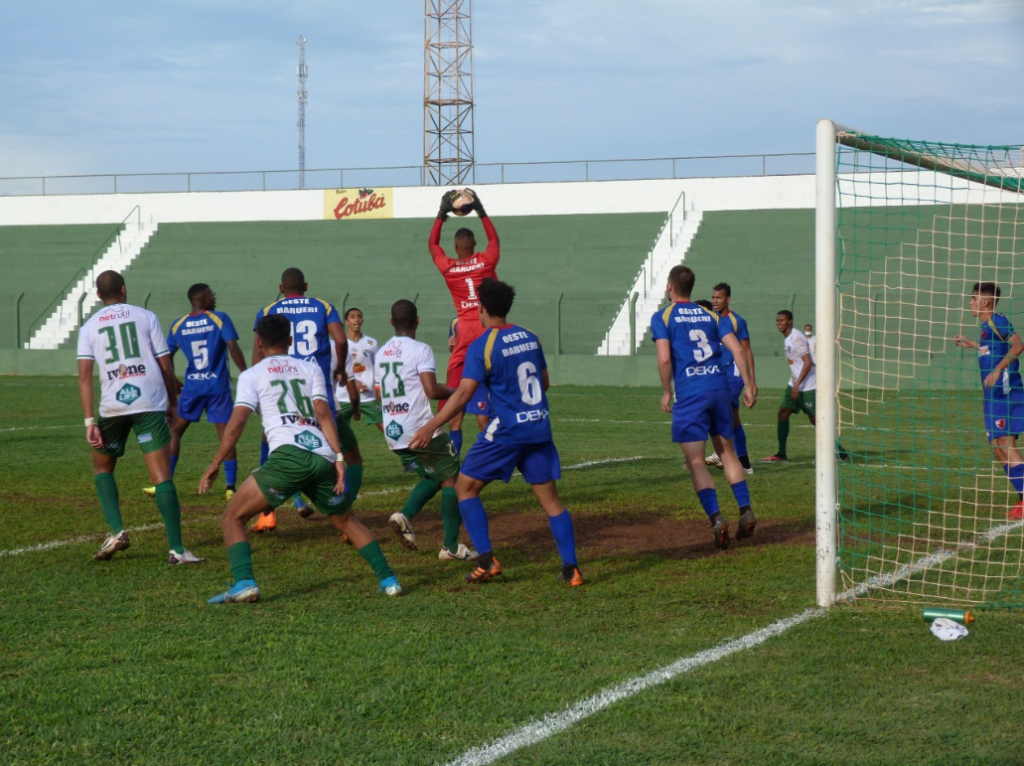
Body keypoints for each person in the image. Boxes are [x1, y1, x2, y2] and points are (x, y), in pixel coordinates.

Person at [199, 314, 401, 603]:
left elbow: (238, 422)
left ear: (258, 341)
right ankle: (389, 580)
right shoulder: (310, 368)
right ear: (290, 341)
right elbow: (323, 413)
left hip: (289, 458)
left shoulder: (251, 375)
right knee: (346, 521)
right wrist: (339, 458)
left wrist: (216, 462)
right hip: (322, 455)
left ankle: (244, 582)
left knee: (232, 517)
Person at [409, 279, 584, 586]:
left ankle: (487, 562)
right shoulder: (531, 337)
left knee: (465, 488)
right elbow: (542, 383)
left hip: (506, 432)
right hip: (538, 428)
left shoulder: (483, 345)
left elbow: (463, 395)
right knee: (551, 501)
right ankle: (572, 569)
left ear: (483, 308)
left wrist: (429, 426)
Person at [76, 270, 204, 565]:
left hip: (113, 407)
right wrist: (173, 404)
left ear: (98, 296)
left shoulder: (89, 327)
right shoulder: (146, 316)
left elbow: (84, 377)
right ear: (124, 289)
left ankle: (117, 531)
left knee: (102, 468)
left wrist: (89, 422)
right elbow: (165, 365)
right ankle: (176, 549)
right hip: (148, 401)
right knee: (161, 477)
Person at [652, 266, 758, 549]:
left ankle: (716, 519)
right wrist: (749, 384)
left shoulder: (664, 315)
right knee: (727, 452)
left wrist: (666, 390)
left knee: (696, 461)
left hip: (691, 394)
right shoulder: (712, 315)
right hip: (720, 388)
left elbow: (664, 358)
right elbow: (737, 350)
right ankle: (745, 509)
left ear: (670, 287)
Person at [249, 267, 358, 530]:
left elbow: (257, 352)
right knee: (345, 452)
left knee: (274, 442)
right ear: (306, 286)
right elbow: (341, 341)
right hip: (314, 388)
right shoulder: (322, 306)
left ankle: (268, 512)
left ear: (281, 287)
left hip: (281, 389)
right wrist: (340, 367)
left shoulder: (267, 311)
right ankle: (345, 517)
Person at [377, 300, 477, 561]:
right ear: (417, 320)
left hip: (393, 432)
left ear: (391, 322)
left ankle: (406, 516)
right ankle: (450, 546)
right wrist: (458, 393)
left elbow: (379, 392)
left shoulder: (382, 352)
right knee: (452, 478)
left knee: (436, 476)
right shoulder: (420, 349)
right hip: (420, 429)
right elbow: (431, 390)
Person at [143, 283, 247, 499]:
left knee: (174, 431)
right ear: (202, 298)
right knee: (225, 434)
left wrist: (173, 380)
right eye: (211, 294)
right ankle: (230, 487)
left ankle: (165, 482)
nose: (214, 297)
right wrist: (246, 373)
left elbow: (166, 355)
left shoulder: (178, 324)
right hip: (217, 387)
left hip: (193, 387)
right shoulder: (219, 318)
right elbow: (233, 347)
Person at [429, 189, 500, 455]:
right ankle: (491, 452)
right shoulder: (486, 260)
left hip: (464, 332)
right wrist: (481, 210)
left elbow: (433, 246)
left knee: (453, 405)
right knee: (488, 404)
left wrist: (441, 215)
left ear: (456, 248)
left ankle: (448, 456)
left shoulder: (448, 267)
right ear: (474, 245)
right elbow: (494, 239)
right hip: (488, 329)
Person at [954, 282, 1024, 520]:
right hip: (993, 396)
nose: (970, 303)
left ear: (985, 301)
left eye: (973, 299)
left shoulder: (998, 321)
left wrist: (997, 371)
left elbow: (1018, 345)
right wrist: (972, 344)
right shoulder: (986, 328)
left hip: (1005, 392)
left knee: (1006, 445)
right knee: (997, 449)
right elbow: (991, 348)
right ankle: (1023, 497)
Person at [762, 311, 847, 462]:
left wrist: (797, 385)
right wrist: (794, 384)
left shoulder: (796, 337)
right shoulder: (788, 338)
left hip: (807, 385)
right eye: (777, 320)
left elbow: (808, 362)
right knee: (782, 413)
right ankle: (781, 454)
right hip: (795, 383)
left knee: (816, 419)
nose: (778, 323)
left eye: (782, 320)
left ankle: (839, 451)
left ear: (790, 321)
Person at [703, 285, 756, 474]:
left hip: (734, 376)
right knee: (733, 420)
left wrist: (751, 382)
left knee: (720, 413)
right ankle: (745, 464)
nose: (715, 301)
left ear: (728, 299)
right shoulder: (712, 320)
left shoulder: (737, 321)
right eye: (713, 297)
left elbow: (746, 351)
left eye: (719, 297)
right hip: (719, 376)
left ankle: (722, 454)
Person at [446, 315, 492, 448]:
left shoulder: (485, 319)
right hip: (461, 375)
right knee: (454, 421)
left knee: (483, 421)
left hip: (479, 376)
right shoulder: (455, 321)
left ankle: (491, 458)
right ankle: (453, 465)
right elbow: (454, 350)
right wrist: (451, 346)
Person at [337, 306, 382, 434]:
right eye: (352, 317)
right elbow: (334, 371)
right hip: (343, 396)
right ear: (346, 322)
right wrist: (352, 383)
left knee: (386, 426)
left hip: (367, 395)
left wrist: (378, 387)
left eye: (359, 317)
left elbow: (379, 367)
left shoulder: (371, 343)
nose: (356, 320)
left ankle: (404, 449)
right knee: (337, 431)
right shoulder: (339, 343)